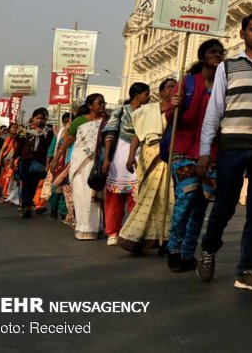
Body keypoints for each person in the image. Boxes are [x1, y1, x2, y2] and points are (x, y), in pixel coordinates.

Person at [196, 13, 252, 291]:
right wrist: (205, 150)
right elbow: (215, 110)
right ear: (242, 34)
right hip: (232, 146)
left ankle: (247, 268)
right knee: (225, 205)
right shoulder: (228, 67)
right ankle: (209, 247)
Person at [166, 39, 224, 272]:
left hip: (212, 154)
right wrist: (175, 105)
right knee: (186, 200)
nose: (217, 55)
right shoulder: (188, 83)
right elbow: (171, 118)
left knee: (201, 206)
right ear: (202, 57)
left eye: (220, 52)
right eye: (212, 52)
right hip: (184, 152)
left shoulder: (224, 85)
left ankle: (188, 253)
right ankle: (173, 249)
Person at [118, 78, 177, 255]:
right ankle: (135, 238)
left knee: (168, 200)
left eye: (176, 87)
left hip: (171, 157)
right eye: (169, 87)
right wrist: (130, 157)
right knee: (148, 197)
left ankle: (165, 240)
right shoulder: (148, 110)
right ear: (160, 92)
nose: (173, 90)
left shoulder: (179, 110)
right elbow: (137, 136)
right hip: (150, 156)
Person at [53, 94, 107, 240]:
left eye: (104, 103)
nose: (103, 105)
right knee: (81, 195)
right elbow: (67, 141)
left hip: (98, 163)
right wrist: (56, 160)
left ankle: (96, 229)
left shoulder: (106, 121)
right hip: (81, 164)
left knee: (95, 196)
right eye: (100, 103)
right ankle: (82, 228)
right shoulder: (79, 121)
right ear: (90, 106)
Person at [101, 83, 150, 245]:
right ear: (137, 95)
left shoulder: (147, 112)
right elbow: (109, 135)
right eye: (146, 94)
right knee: (115, 197)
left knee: (137, 196)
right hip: (119, 157)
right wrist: (106, 159)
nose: (148, 97)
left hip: (140, 156)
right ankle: (113, 232)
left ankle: (133, 231)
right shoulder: (120, 111)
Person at [14, 108, 54, 219]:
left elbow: (50, 147)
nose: (39, 121)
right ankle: (25, 207)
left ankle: (29, 204)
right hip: (25, 160)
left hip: (39, 161)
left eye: (42, 119)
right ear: (33, 118)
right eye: (37, 118)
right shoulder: (25, 130)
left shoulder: (49, 132)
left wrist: (49, 162)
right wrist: (14, 158)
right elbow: (19, 145)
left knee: (33, 184)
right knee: (25, 183)